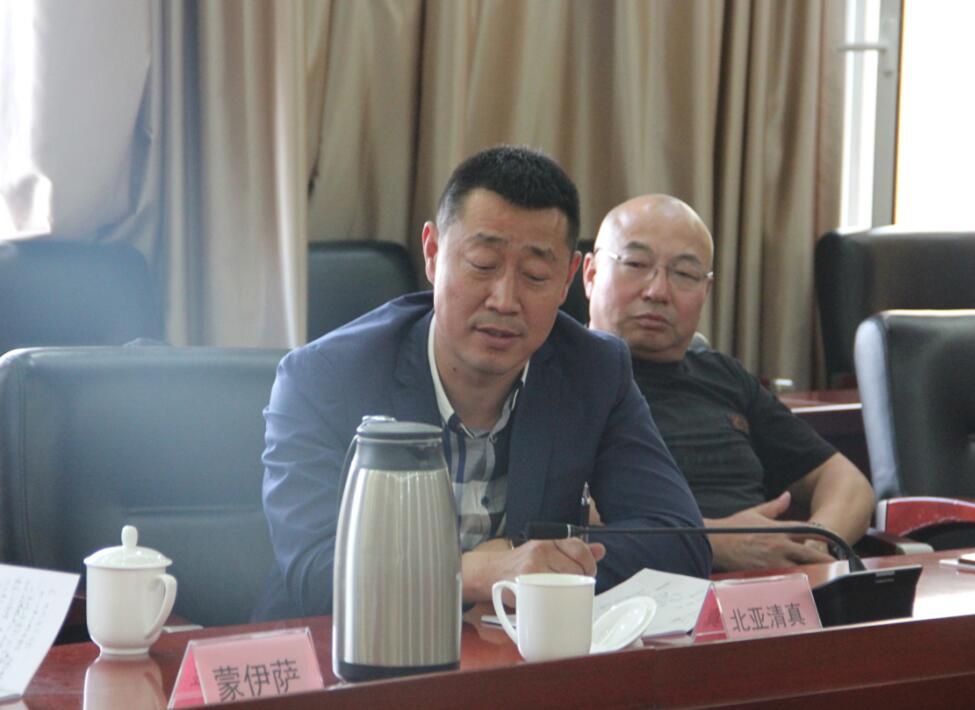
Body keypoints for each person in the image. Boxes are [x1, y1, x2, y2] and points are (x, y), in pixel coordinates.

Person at [254, 148, 711, 621]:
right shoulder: (324, 378)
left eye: (536, 275)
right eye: (482, 263)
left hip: (508, 652)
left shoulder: (594, 370)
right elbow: (316, 570)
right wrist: (473, 573)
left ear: (568, 279)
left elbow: (679, 541)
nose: (505, 299)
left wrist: (522, 559)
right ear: (433, 254)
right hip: (344, 649)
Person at [584, 194, 875, 572]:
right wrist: (712, 542)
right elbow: (569, 516)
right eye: (636, 264)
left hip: (772, 587)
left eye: (685, 274)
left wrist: (813, 544)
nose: (658, 291)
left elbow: (845, 481)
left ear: (705, 291)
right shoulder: (560, 374)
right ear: (590, 274)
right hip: (639, 589)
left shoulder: (723, 377)